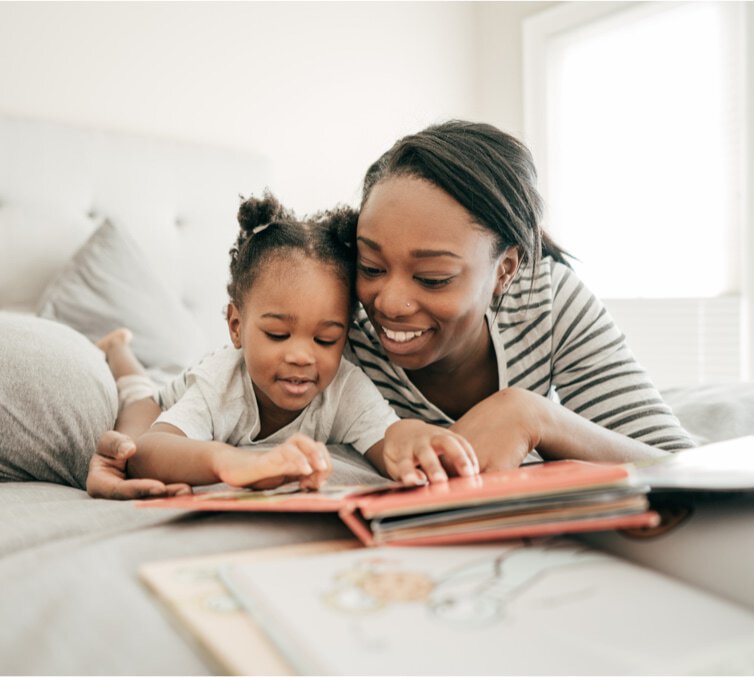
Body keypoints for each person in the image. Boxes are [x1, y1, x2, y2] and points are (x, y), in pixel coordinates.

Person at [88, 120, 694, 500]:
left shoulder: (551, 300)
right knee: (143, 387)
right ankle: (121, 353)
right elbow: (212, 406)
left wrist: (537, 416)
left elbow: (687, 468)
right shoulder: (331, 328)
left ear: (507, 268)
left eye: (433, 276)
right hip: (179, 386)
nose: (389, 303)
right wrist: (131, 446)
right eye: (371, 266)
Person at [88, 193, 477, 498]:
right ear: (237, 327)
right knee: (136, 406)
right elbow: (153, 450)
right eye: (277, 334)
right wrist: (231, 462)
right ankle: (119, 348)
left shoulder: (345, 387)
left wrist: (415, 438)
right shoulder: (219, 384)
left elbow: (387, 436)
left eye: (326, 339)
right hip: (166, 399)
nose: (301, 356)